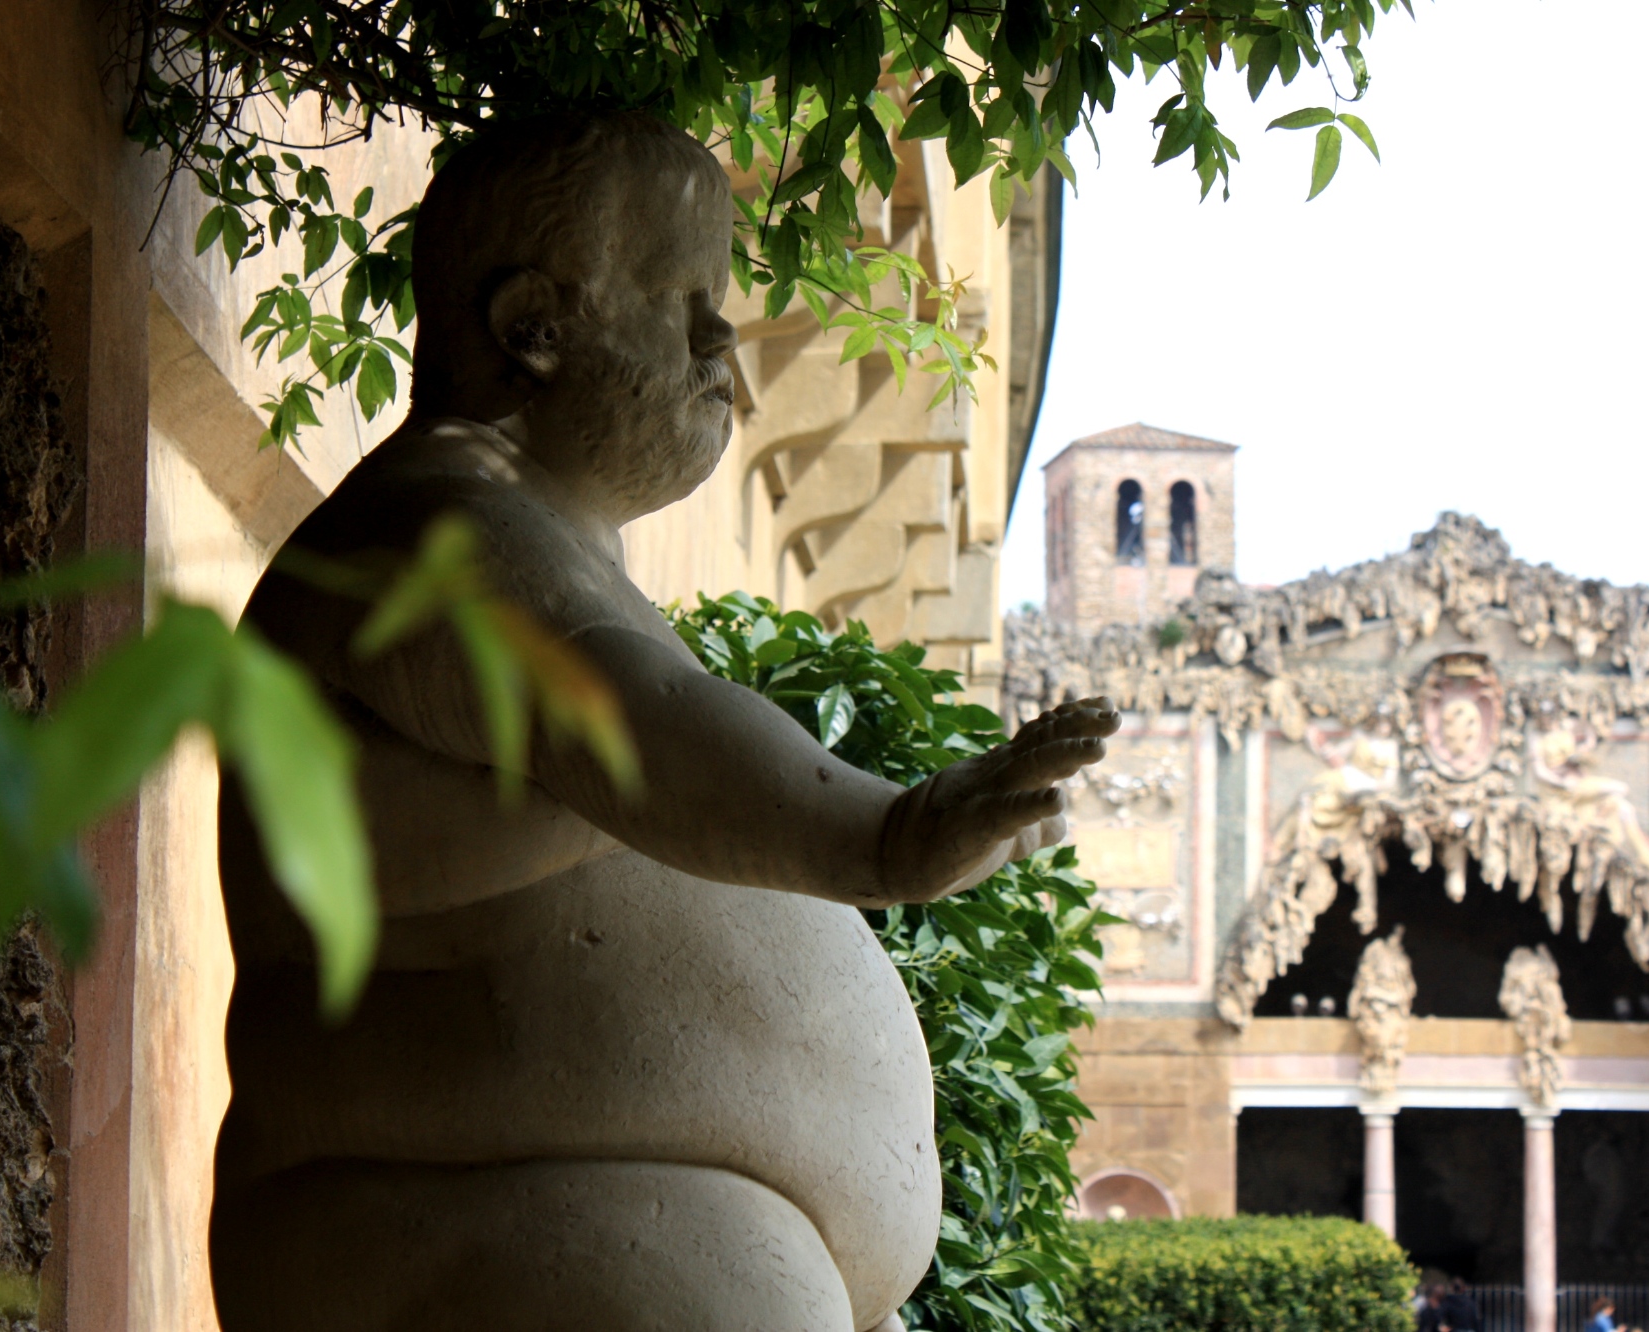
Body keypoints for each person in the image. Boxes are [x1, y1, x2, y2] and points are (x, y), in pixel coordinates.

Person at [208, 110, 1117, 1332]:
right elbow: (640, 725)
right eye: (682, 294)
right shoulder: (434, 534)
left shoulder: (530, 541)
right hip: (473, 1225)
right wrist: (883, 836)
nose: (719, 336)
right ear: (534, 327)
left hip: (596, 1229)